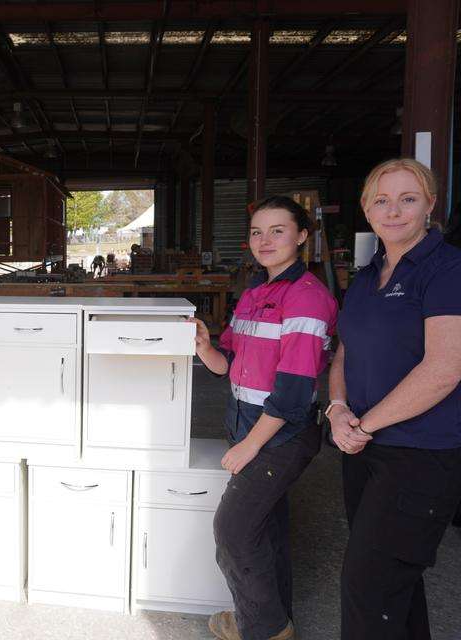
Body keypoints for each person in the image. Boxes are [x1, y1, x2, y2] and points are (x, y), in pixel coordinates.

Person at [190, 196, 338, 640]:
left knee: (233, 531)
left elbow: (293, 396)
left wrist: (248, 446)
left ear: (302, 236)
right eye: (257, 231)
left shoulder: (307, 298)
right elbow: (227, 363)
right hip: (247, 424)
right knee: (266, 527)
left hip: (279, 435)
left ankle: (264, 628)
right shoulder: (254, 294)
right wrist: (204, 346)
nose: (266, 240)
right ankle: (274, 618)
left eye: (278, 230)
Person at [327, 158, 461, 639]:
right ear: (366, 210)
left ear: (429, 205)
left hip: (420, 455)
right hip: (362, 448)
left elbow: (444, 369)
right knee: (392, 586)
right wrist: (337, 408)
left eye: (408, 199)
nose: (394, 210)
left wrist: (364, 425)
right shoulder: (367, 276)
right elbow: (346, 348)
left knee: (366, 587)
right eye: (382, 200)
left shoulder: (448, 269)